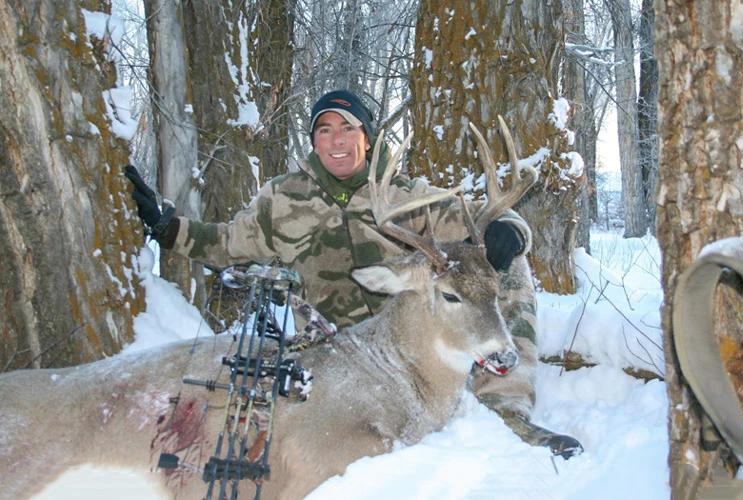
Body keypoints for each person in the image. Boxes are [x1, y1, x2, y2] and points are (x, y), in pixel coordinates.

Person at [125, 89, 583, 458]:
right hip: (331, 350)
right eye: (325, 130)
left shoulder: (408, 196)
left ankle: (506, 409)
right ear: (314, 141)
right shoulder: (282, 199)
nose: (337, 140)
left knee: (508, 265)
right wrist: (167, 228)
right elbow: (224, 243)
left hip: (409, 343)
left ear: (366, 137)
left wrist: (510, 229)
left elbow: (484, 218)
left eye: (348, 128)